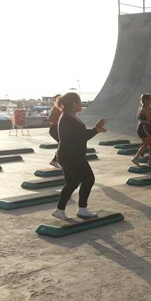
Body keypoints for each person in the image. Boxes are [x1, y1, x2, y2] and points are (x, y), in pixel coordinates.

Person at [51, 92, 107, 220]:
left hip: (71, 155)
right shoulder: (66, 118)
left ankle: (60, 209)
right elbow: (81, 136)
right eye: (79, 101)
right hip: (71, 156)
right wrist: (95, 129)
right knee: (88, 179)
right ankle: (81, 209)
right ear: (73, 103)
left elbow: (80, 134)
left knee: (72, 183)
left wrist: (96, 129)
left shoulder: (71, 116)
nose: (81, 104)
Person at [133, 93, 151, 166]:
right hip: (144, 128)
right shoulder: (145, 108)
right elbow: (150, 120)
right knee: (147, 144)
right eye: (147, 100)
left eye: (150, 99)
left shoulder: (146, 107)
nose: (149, 101)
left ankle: (150, 160)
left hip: (143, 127)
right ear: (143, 100)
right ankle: (136, 158)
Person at [48, 94, 62, 168]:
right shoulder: (55, 108)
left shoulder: (62, 108)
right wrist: (58, 123)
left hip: (59, 129)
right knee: (62, 145)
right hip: (54, 129)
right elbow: (50, 118)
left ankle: (56, 160)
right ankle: (55, 161)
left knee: (62, 145)